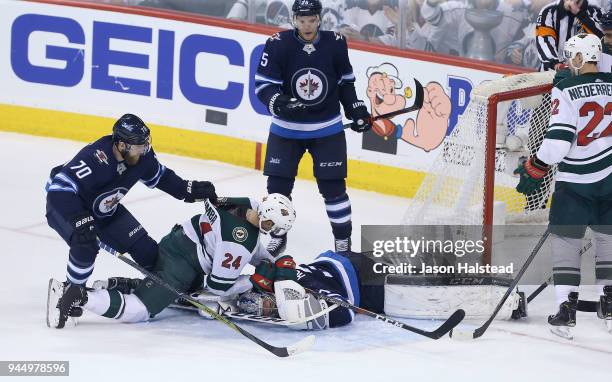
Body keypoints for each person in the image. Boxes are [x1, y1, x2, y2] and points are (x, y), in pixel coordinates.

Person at [46, 195, 297, 328]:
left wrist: (273, 261)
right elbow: (217, 287)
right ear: (264, 214)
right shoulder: (238, 242)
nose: (271, 231)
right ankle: (77, 296)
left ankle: (118, 284)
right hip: (184, 264)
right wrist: (249, 281)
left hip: (177, 241)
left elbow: (248, 242)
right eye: (271, 226)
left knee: (180, 291)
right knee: (141, 310)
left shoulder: (249, 204)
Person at [45, 114, 217, 290]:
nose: (143, 150)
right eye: (138, 147)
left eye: (145, 144)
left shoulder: (143, 156)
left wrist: (187, 189)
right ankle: (72, 291)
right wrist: (79, 218)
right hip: (67, 208)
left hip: (106, 211)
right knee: (86, 244)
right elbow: (59, 190)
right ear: (121, 145)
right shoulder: (96, 158)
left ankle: (170, 286)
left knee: (145, 250)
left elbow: (161, 177)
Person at [514, 33, 612, 338]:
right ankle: (609, 304)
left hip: (575, 183)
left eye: (573, 57)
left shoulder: (566, 89)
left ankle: (565, 309)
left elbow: (557, 142)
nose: (570, 62)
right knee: (608, 239)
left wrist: (535, 167)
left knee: (566, 241)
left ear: (581, 58)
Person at [254, 0, 371, 254]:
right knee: (277, 189)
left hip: (327, 130)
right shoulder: (277, 44)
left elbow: (345, 84)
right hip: (286, 131)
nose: (307, 25)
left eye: (311, 20)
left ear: (320, 19)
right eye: (302, 20)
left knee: (334, 189)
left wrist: (356, 108)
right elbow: (263, 86)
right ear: (294, 19)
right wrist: (279, 102)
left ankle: (343, 241)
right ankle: (278, 233)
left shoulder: (336, 43)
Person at [535, 0, 603, 71]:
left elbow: (602, 38)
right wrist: (555, 64)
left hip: (586, 73)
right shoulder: (548, 11)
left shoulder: (596, 11)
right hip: (552, 71)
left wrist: (580, 14)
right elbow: (544, 40)